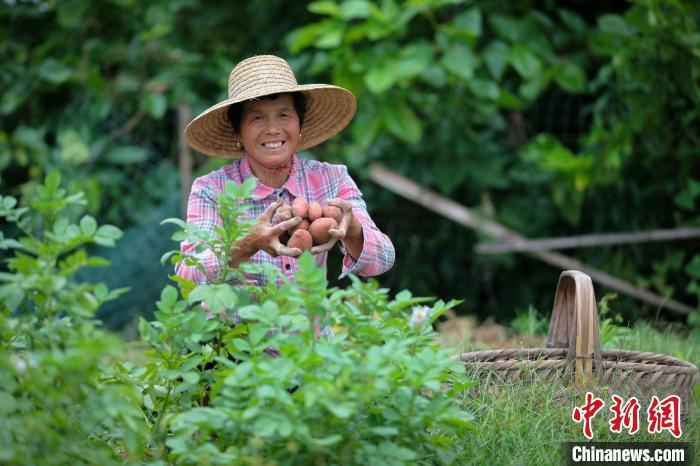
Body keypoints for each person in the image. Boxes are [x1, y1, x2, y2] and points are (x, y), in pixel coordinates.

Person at [176, 55, 394, 286]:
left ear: (300, 125)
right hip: (238, 324)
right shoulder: (211, 189)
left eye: (284, 115)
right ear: (237, 133)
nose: (273, 129)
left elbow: (383, 260)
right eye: (257, 117)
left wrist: (351, 228)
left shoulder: (331, 178)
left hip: (309, 322)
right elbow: (189, 277)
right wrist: (248, 243)